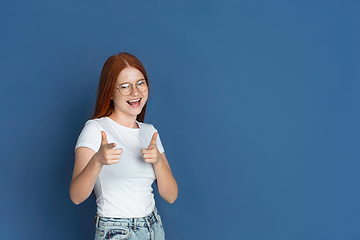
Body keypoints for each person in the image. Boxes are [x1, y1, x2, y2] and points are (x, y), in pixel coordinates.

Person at [70, 52, 178, 240]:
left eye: (140, 83)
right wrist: (97, 161)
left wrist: (159, 161)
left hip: (153, 227)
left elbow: (170, 196)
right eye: (125, 86)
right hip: (117, 231)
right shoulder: (96, 129)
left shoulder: (149, 132)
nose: (135, 92)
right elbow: (76, 196)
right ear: (110, 91)